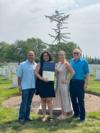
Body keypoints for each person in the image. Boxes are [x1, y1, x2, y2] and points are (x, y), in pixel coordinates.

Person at [16, 51, 37, 124]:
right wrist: (19, 85)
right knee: (24, 103)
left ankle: (27, 117)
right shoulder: (22, 65)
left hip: (32, 87)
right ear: (27, 56)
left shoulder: (36, 65)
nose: (31, 56)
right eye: (29, 55)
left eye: (32, 55)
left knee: (29, 103)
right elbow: (19, 76)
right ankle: (21, 118)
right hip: (25, 87)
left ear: (34, 56)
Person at [69, 48, 89, 122]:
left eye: (77, 53)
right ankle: (76, 113)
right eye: (74, 53)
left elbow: (87, 73)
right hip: (72, 82)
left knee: (80, 100)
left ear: (80, 54)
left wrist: (86, 83)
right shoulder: (71, 61)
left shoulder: (84, 62)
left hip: (80, 82)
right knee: (73, 99)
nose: (75, 54)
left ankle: (82, 116)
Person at [35, 51, 55, 122]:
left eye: (47, 56)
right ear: (42, 57)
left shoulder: (52, 64)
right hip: (41, 83)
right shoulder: (39, 64)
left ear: (49, 56)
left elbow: (54, 73)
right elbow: (36, 73)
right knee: (43, 100)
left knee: (49, 100)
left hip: (49, 84)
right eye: (44, 56)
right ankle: (44, 116)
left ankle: (51, 116)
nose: (46, 57)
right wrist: (42, 78)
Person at [55, 51, 75, 120]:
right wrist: (56, 72)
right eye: (59, 55)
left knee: (65, 98)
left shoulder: (66, 64)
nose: (60, 56)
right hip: (58, 83)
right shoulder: (59, 63)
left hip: (64, 84)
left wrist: (67, 80)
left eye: (62, 55)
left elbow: (72, 72)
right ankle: (63, 112)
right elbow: (56, 74)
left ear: (64, 55)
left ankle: (66, 114)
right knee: (61, 98)